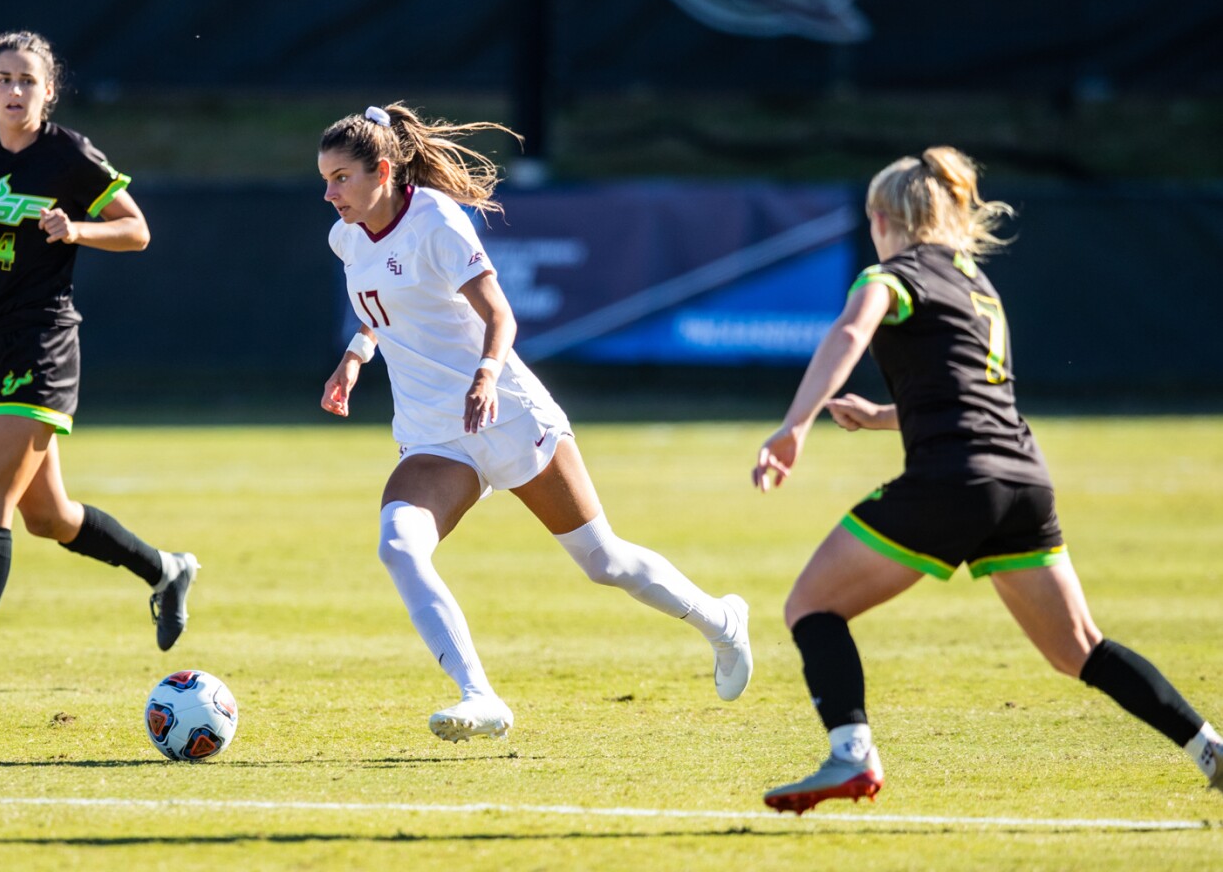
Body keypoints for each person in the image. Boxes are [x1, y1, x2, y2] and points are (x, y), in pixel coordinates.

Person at [751, 146, 1223, 813]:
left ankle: (851, 753)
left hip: (955, 479)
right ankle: (1210, 749)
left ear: (882, 219)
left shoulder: (889, 275)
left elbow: (849, 333)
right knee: (1079, 649)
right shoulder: (976, 285)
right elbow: (972, 395)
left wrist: (794, 425)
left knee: (811, 606)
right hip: (1022, 480)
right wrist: (882, 416)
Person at [317, 102, 753, 742]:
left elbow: (501, 314)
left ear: (382, 171)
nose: (330, 194)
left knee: (603, 562)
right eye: (325, 180)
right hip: (434, 435)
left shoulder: (437, 220)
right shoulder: (347, 236)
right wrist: (355, 357)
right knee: (399, 547)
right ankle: (480, 696)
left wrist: (486, 375)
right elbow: (380, 304)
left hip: (507, 414)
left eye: (341, 178)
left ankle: (721, 622)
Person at [0, 30, 198, 695]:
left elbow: (137, 230)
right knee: (49, 517)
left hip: (43, 341)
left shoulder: (69, 155)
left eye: (28, 80)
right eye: (4, 78)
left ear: (48, 90)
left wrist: (76, 228)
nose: (15, 90)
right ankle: (166, 569)